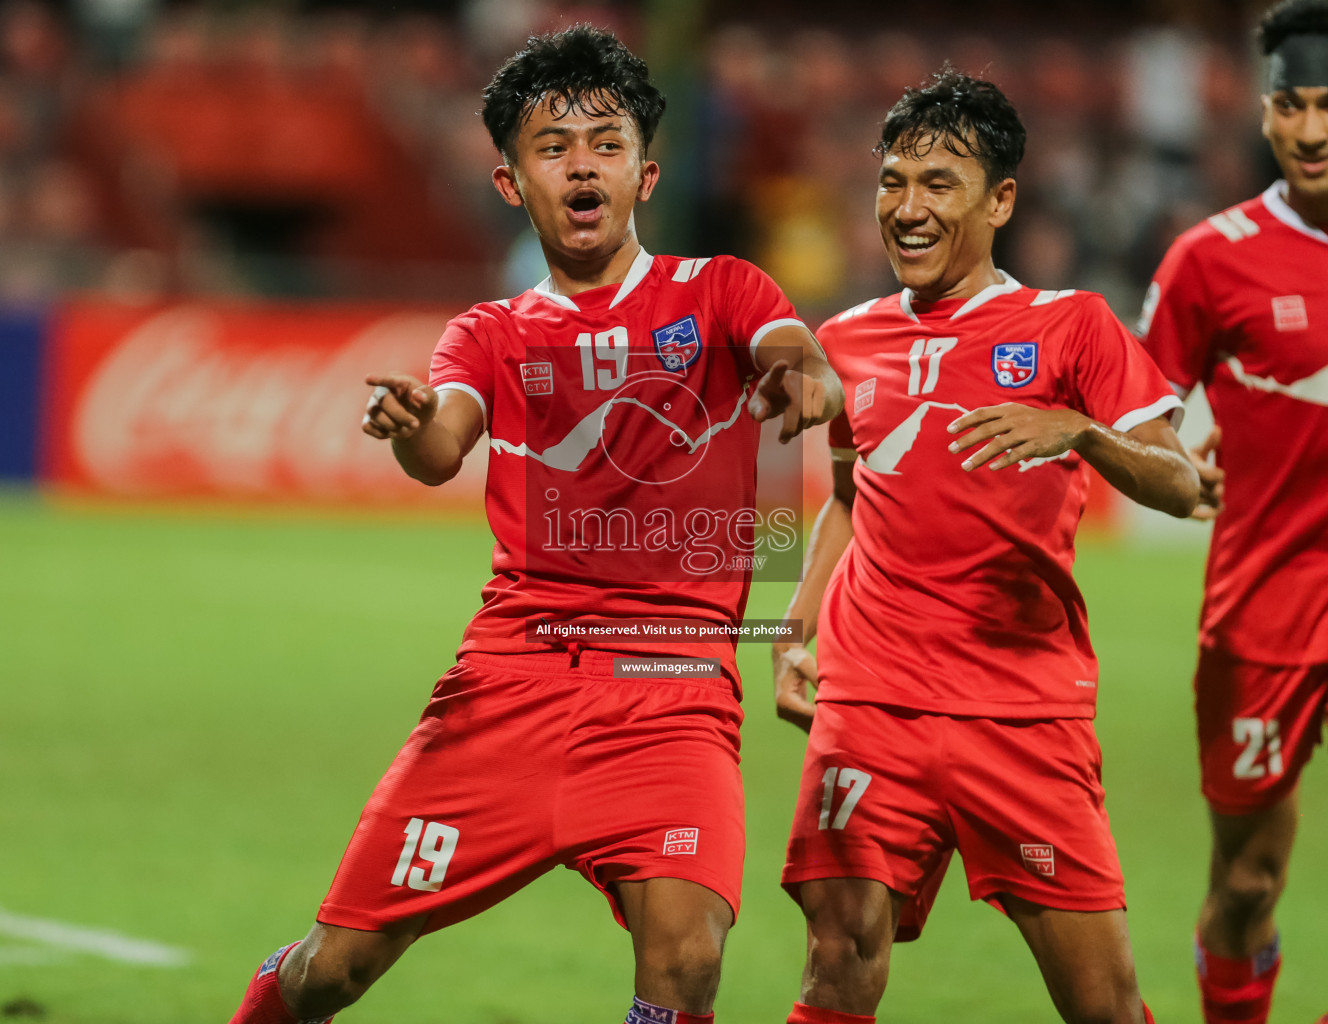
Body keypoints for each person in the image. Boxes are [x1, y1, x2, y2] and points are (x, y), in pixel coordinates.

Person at [228, 25, 843, 1024]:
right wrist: (415, 423)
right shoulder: (491, 332)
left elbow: (788, 345)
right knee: (334, 969)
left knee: (686, 960)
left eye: (603, 142)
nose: (580, 164)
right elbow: (441, 447)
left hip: (672, 690)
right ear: (512, 183)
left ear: (645, 172)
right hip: (513, 680)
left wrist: (803, 375)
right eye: (551, 148)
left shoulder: (719, 290)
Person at [769, 68, 1199, 1024]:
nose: (908, 208)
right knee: (836, 965)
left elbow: (1179, 484)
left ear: (1000, 199)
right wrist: (792, 635)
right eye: (892, 182)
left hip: (1021, 708)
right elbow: (850, 495)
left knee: (1104, 1004)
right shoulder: (844, 338)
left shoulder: (1071, 324)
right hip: (871, 699)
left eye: (939, 184)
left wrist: (1081, 433)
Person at [1136, 3, 1328, 1021]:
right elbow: (1135, 412)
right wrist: (1168, 457)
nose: (1309, 131)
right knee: (1247, 887)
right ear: (1262, 114)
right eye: (1290, 106)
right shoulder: (1211, 259)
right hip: (1266, 613)